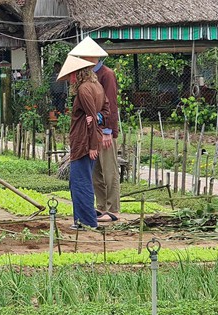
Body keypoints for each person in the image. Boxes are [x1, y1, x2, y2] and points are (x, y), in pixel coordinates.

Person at [69, 36, 120, 222]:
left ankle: (113, 209)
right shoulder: (92, 80)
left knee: (108, 170)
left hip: (103, 131)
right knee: (96, 172)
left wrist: (107, 130)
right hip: (94, 131)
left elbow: (111, 105)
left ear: (91, 58)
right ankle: (101, 207)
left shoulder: (106, 75)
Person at [57, 55, 110, 230]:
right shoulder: (97, 86)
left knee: (80, 182)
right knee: (79, 181)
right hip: (88, 139)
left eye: (72, 75)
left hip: (84, 141)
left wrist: (93, 144)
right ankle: (83, 219)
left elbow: (93, 117)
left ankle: (85, 221)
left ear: (78, 73)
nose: (70, 79)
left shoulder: (84, 89)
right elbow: (105, 111)